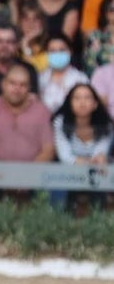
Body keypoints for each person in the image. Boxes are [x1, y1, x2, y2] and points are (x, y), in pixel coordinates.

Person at [0, 64, 54, 202]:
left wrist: (26, 177)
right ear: (3, 84)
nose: (17, 89)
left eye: (23, 85)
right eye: (12, 83)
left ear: (29, 89)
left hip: (33, 174)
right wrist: (3, 176)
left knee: (56, 187)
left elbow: (48, 150)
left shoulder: (42, 111)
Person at [52, 82, 112, 215]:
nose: (82, 102)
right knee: (58, 180)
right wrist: (89, 162)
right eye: (77, 98)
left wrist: (91, 162)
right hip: (67, 171)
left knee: (101, 175)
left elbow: (100, 155)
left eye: (87, 98)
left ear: (95, 104)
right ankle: (59, 221)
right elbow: (65, 157)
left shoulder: (106, 125)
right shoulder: (60, 122)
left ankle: (99, 223)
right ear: (70, 102)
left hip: (96, 171)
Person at [38, 33, 89, 114]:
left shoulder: (80, 79)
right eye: (52, 51)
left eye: (62, 50)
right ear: (46, 54)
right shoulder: (40, 78)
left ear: (70, 52)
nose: (57, 54)